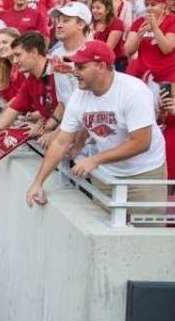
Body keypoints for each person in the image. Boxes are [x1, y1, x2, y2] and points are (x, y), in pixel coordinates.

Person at [25, 40, 168, 218]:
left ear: (101, 66)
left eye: (81, 67)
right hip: (107, 174)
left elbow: (141, 143)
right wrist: (38, 183)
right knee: (105, 235)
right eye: (75, 65)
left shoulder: (133, 91)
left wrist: (95, 160)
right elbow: (61, 142)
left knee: (147, 237)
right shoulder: (79, 96)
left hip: (144, 174)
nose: (75, 72)